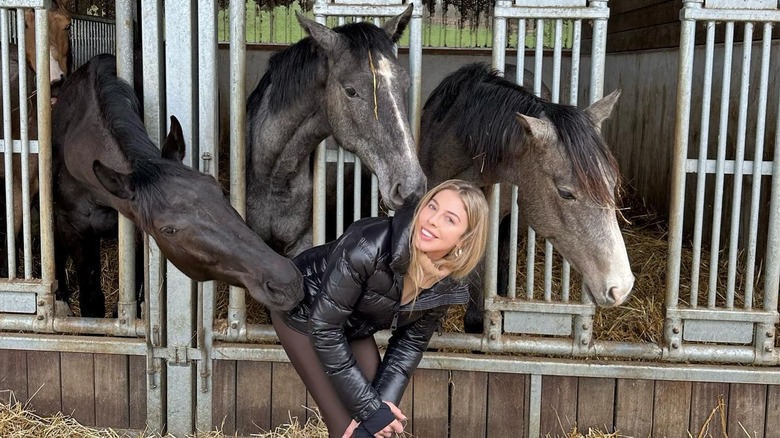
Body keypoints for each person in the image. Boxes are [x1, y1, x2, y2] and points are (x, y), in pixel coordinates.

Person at [269, 179, 489, 438]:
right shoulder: (367, 246)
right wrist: (370, 410)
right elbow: (325, 327)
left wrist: (378, 413)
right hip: (304, 312)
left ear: (463, 240)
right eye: (432, 207)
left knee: (374, 430)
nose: (432, 220)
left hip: (352, 325)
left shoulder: (445, 283)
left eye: (449, 219)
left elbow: (410, 345)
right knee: (347, 430)